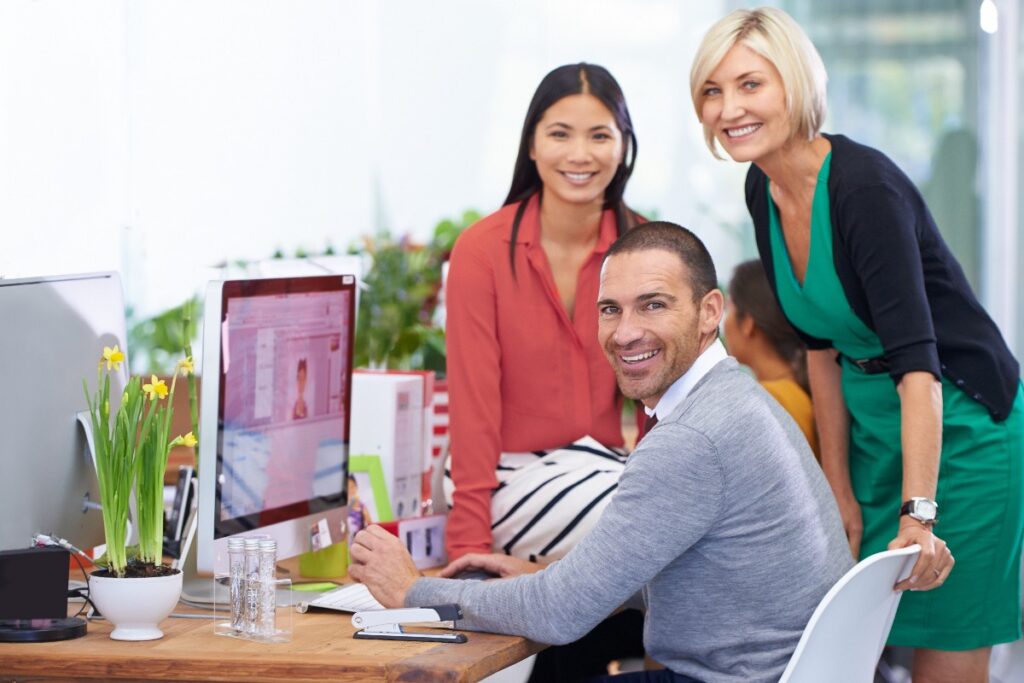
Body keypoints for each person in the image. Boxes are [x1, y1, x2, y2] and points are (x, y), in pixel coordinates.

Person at [350, 222, 864, 683]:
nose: (625, 333)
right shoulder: (738, 398)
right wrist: (550, 576)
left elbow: (557, 614)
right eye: (610, 310)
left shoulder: (690, 439)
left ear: (710, 312)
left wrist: (411, 592)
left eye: (653, 305)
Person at [690, 8, 1021, 681]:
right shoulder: (765, 186)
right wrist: (837, 488)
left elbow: (919, 371)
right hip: (875, 430)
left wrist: (917, 513)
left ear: (797, 83)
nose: (730, 108)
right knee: (854, 644)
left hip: (958, 427)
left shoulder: (862, 189)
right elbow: (819, 347)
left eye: (751, 84)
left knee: (945, 649)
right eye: (713, 91)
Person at [444, 63, 642, 564]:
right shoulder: (481, 250)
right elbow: (473, 402)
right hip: (503, 478)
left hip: (604, 471)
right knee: (659, 520)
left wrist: (652, 473)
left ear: (623, 146)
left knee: (680, 504)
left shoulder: (644, 247)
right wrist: (468, 546)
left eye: (599, 135)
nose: (580, 154)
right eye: (559, 134)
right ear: (531, 145)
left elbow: (663, 392)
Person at [724, 259, 818, 457]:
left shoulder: (770, 400)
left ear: (748, 323)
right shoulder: (798, 390)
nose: (724, 322)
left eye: (729, 307)